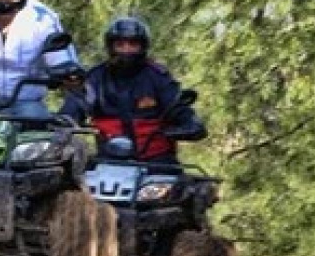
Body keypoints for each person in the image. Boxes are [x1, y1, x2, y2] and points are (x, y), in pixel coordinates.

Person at [60, 15, 206, 162]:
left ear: (143, 47)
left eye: (133, 44)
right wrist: (65, 120)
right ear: (110, 47)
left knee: (190, 184)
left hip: (158, 162)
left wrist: (190, 124)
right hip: (109, 162)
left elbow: (177, 107)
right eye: (120, 45)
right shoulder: (96, 78)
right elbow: (78, 103)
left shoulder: (158, 77)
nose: (126, 50)